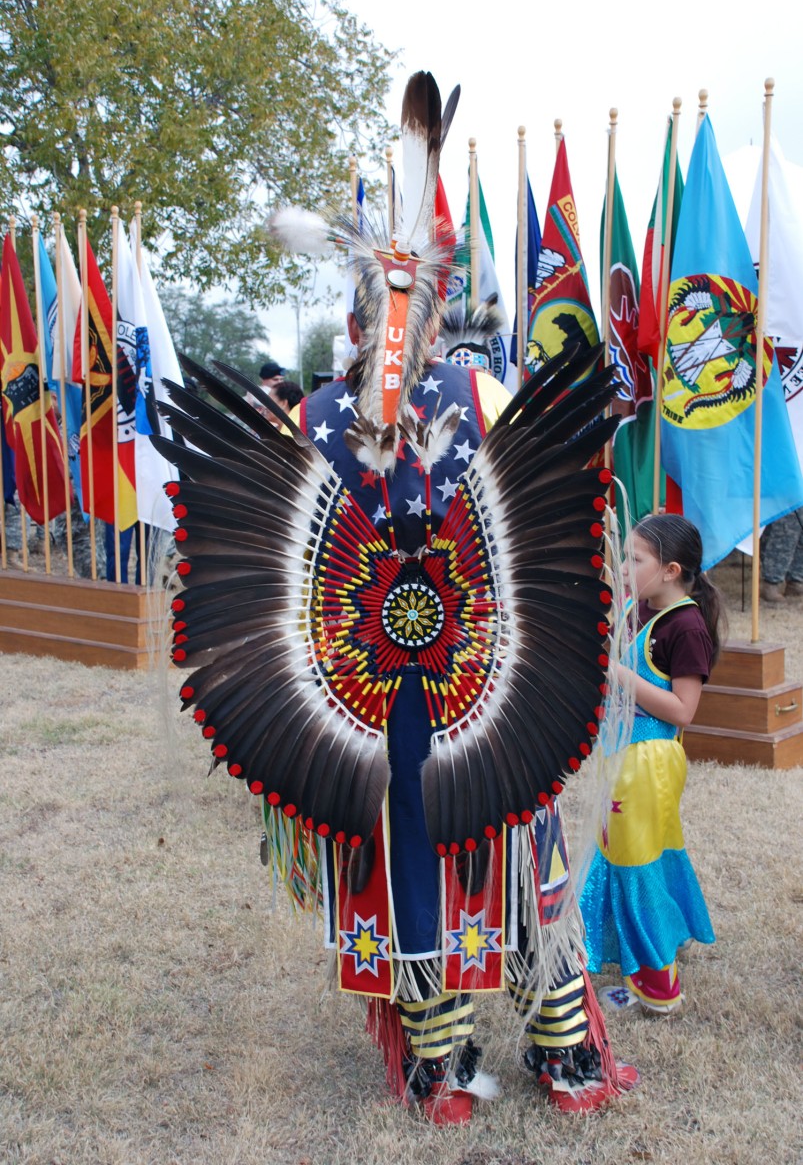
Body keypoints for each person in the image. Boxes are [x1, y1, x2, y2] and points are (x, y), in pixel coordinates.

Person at [154, 70, 637, 1126]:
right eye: (385, 302)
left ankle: (540, 1042)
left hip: (483, 689)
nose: (399, 324)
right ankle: (450, 1055)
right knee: (422, 858)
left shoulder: (473, 397)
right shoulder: (344, 415)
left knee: (501, 842)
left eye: (408, 303)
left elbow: (565, 514)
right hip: (375, 706)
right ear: (364, 307)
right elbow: (257, 567)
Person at [580, 513, 724, 1015]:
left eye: (635, 558)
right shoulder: (643, 612)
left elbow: (684, 710)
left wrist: (617, 672)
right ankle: (635, 948)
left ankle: (658, 988)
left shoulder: (686, 627)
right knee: (627, 853)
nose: (624, 565)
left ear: (670, 570)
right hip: (628, 759)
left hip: (648, 760)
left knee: (635, 862)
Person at [760, 507, 803, 603]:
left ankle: (795, 580)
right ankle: (771, 584)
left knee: (800, 536)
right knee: (785, 533)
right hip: (787, 497)